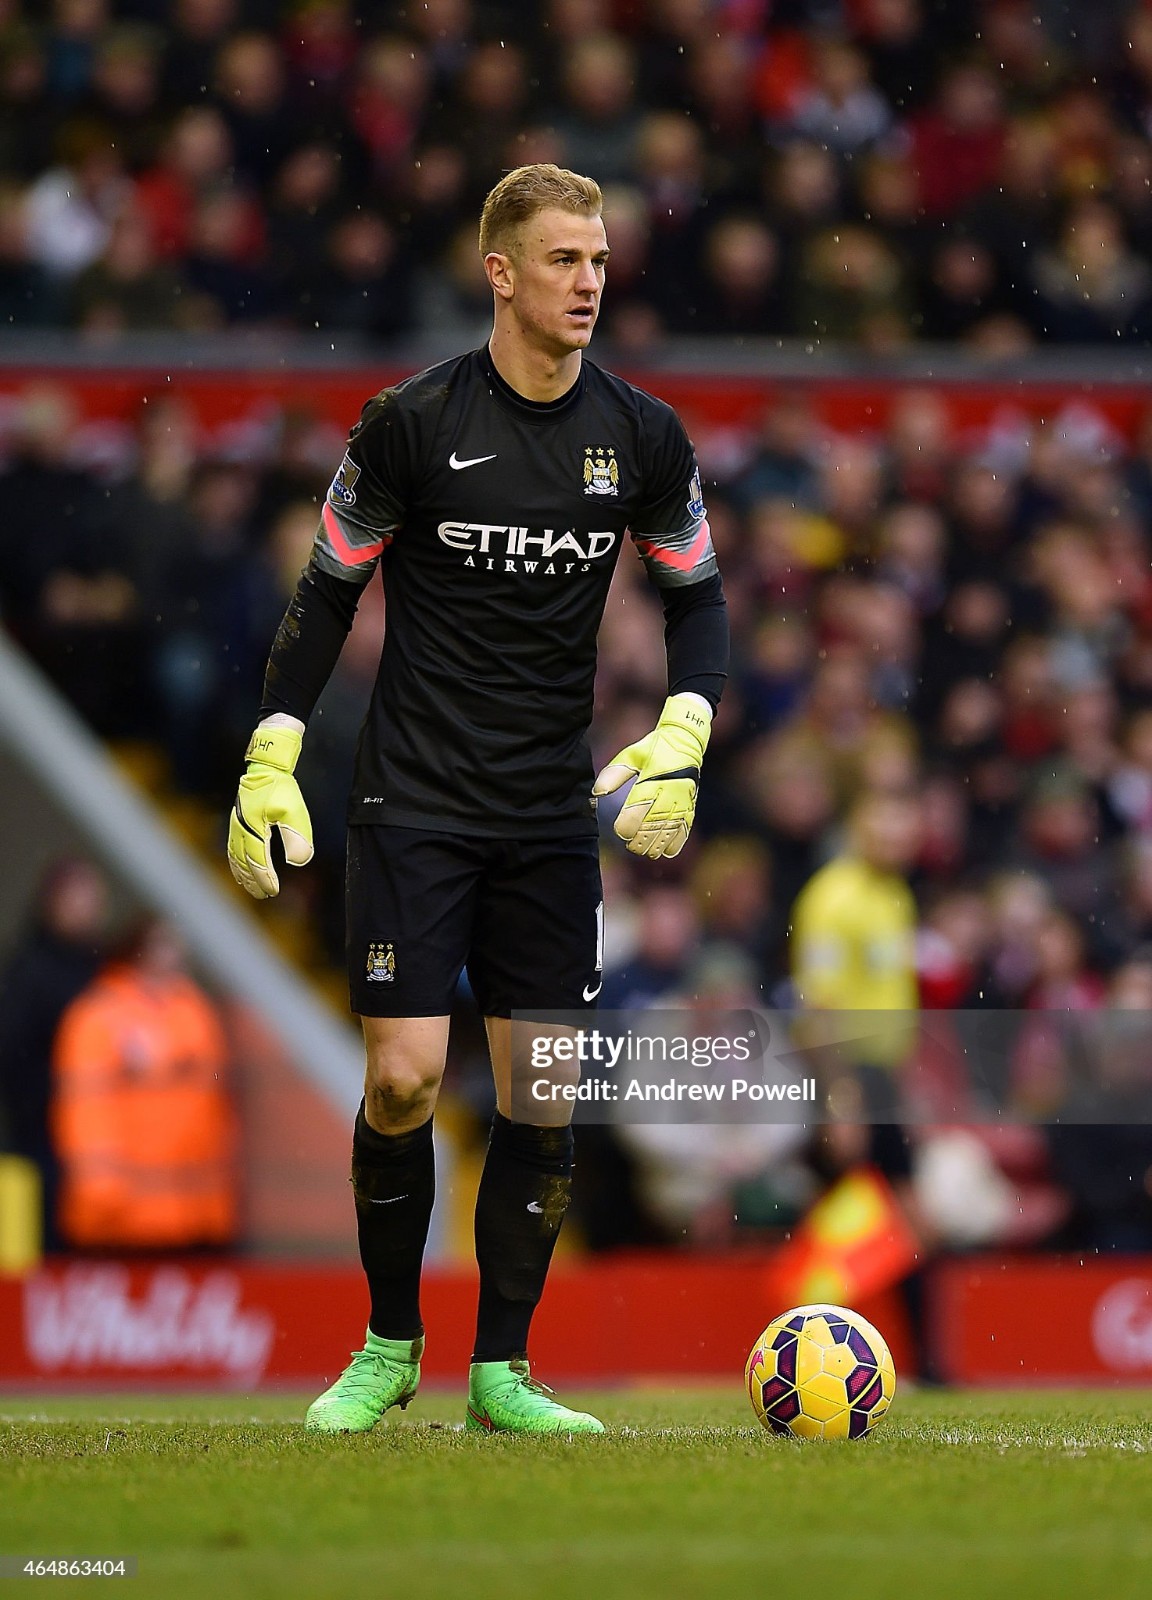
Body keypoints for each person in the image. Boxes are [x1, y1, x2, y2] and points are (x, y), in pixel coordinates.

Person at [226, 163, 729, 1435]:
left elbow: (699, 596)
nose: (590, 282)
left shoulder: (644, 436)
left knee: (542, 1088)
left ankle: (502, 1370)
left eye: (602, 261)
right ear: (499, 272)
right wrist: (274, 743)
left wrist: (687, 723)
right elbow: (328, 588)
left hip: (549, 813)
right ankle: (390, 1344)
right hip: (413, 800)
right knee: (401, 1082)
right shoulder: (409, 421)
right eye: (565, 260)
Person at [51, 917, 238, 1253]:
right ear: (137, 950)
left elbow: (214, 1112)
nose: (171, 955)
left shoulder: (194, 1011)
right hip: (119, 1221)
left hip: (192, 1217)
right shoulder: (98, 1017)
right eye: (161, 945)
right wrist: (101, 1195)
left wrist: (216, 1207)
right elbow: (87, 1112)